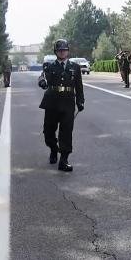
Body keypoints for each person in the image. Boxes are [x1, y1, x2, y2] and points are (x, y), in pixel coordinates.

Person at [38, 39, 85, 172]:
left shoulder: (75, 67)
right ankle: (53, 149)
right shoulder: (49, 66)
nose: (62, 52)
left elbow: (79, 87)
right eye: (60, 50)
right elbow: (42, 77)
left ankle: (64, 160)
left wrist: (80, 101)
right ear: (56, 52)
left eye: (64, 50)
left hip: (68, 102)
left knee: (66, 132)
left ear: (68, 51)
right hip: (52, 101)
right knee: (48, 131)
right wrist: (42, 82)